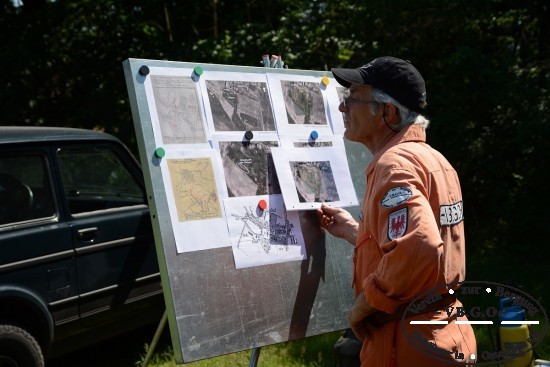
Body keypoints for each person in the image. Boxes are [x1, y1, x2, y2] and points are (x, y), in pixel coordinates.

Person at [317, 56, 477, 366]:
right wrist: (357, 232)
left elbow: (421, 246)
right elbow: (420, 242)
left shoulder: (395, 165)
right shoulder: (433, 159)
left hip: (406, 345)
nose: (342, 108)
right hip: (444, 333)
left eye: (352, 99)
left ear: (387, 112)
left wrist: (365, 305)